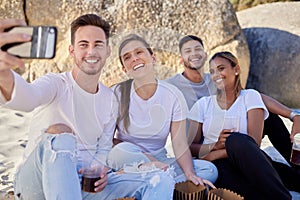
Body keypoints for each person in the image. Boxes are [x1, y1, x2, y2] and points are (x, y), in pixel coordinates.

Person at [0, 15, 175, 200]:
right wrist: (3, 74)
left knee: (160, 178)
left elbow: (104, 150)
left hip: (83, 184)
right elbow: (26, 99)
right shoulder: (56, 83)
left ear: (107, 51)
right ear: (72, 50)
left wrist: (102, 170)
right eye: (83, 44)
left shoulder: (110, 99)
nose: (91, 51)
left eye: (98, 44)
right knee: (61, 132)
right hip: (35, 182)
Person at [165, 35, 300, 168]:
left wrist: (293, 115)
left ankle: (296, 164)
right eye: (188, 51)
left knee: (269, 118)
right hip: (200, 140)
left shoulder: (215, 78)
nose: (194, 53)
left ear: (205, 55)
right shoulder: (171, 86)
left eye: (197, 49)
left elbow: (254, 97)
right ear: (181, 59)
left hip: (228, 135)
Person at [106, 34, 218, 187]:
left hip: (161, 160)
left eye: (139, 52)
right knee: (120, 151)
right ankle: (163, 181)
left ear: (153, 57)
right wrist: (148, 161)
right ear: (124, 69)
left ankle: (147, 180)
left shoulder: (173, 94)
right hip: (128, 158)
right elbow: (107, 140)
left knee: (209, 170)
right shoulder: (116, 93)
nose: (134, 58)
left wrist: (189, 174)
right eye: (127, 57)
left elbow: (179, 144)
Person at [188, 51, 300, 200]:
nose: (216, 75)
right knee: (249, 192)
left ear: (236, 70)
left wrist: (216, 153)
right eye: (212, 71)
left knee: (236, 140)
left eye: (221, 68)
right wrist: (214, 146)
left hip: (251, 161)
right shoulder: (202, 105)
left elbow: (253, 143)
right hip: (220, 165)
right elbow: (190, 146)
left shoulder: (250, 97)